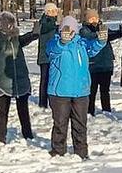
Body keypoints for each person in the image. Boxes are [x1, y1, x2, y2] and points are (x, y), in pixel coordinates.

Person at [46, 15, 107, 159]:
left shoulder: (81, 43)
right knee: (60, 124)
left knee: (80, 124)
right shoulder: (54, 43)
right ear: (61, 30)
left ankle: (81, 152)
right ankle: (58, 151)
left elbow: (93, 49)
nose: (71, 32)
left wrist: (101, 40)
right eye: (67, 29)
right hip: (60, 91)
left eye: (73, 29)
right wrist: (62, 41)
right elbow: (52, 51)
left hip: (81, 90)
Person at [0, 11, 39, 143]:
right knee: (3, 111)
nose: (10, 28)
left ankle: (28, 134)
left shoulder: (16, 39)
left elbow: (24, 39)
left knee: (23, 109)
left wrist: (34, 34)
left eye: (12, 25)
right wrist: (2, 34)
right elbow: (1, 46)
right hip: (3, 81)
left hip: (20, 79)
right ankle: (0, 137)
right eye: (7, 25)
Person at [80, 9, 122, 116]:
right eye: (91, 18)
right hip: (93, 66)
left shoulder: (103, 28)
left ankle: (107, 110)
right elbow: (90, 36)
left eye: (95, 17)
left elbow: (111, 35)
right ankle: (89, 111)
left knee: (105, 90)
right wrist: (101, 35)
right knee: (92, 91)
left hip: (106, 65)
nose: (94, 20)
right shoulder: (84, 30)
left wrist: (119, 32)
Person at [35, 2, 60, 108]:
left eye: (55, 10)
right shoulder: (45, 23)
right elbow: (47, 27)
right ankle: (42, 102)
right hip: (45, 56)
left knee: (53, 79)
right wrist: (57, 24)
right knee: (45, 79)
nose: (55, 12)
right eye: (53, 11)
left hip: (53, 56)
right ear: (48, 12)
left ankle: (51, 100)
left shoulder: (55, 24)